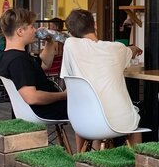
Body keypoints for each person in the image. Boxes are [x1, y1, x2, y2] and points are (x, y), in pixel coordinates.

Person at [61, 8, 144, 144]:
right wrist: (134, 48)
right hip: (119, 123)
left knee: (89, 108)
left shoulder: (70, 45)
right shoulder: (116, 48)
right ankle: (136, 155)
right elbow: (132, 51)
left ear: (71, 33)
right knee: (136, 120)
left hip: (81, 122)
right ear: (95, 25)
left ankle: (81, 154)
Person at [0, 8, 68, 120]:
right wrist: (63, 96)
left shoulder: (9, 55)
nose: (35, 30)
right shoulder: (19, 60)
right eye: (31, 27)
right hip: (46, 110)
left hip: (41, 109)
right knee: (90, 106)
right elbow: (32, 97)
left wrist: (49, 41)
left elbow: (45, 64)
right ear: (20, 31)